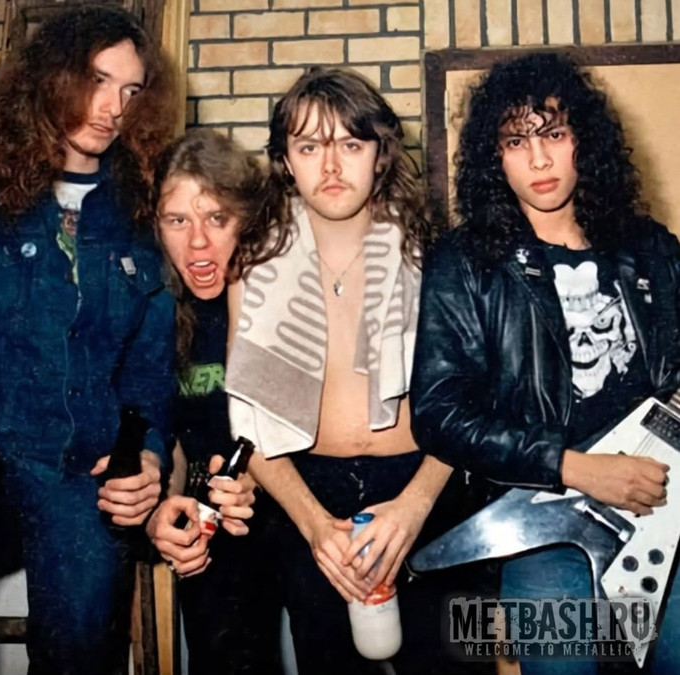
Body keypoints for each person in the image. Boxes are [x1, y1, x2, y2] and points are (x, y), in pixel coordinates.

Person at [410, 52, 680, 675]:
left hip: (663, 510)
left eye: (553, 134)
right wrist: (574, 467)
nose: (538, 160)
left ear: (585, 138)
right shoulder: (466, 263)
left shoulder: (650, 248)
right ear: (494, 156)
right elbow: (439, 413)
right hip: (545, 530)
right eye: (516, 141)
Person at [0, 7, 178, 674]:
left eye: (131, 90)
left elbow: (150, 374)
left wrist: (148, 455)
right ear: (49, 77)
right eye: (98, 81)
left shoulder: (140, 209)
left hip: (76, 475)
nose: (114, 108)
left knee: (83, 644)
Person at [225, 67, 468, 675]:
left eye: (351, 145)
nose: (331, 167)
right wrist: (315, 528)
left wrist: (414, 506)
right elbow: (247, 418)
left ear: (381, 153)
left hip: (424, 485)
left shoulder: (435, 253)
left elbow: (472, 401)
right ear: (286, 160)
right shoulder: (252, 262)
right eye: (310, 147)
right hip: (308, 495)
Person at [145, 129, 286, 675]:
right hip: (217, 511)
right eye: (177, 220)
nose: (198, 243)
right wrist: (166, 508)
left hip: (296, 498)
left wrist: (262, 481)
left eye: (216, 218)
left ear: (247, 221)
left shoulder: (278, 298)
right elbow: (173, 438)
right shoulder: (158, 314)